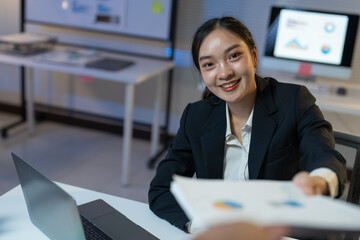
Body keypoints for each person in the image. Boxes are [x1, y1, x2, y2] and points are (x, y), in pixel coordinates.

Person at [148, 16, 347, 233]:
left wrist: (318, 181)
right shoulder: (196, 117)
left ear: (253, 55)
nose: (224, 73)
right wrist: (202, 226)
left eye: (234, 56)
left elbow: (325, 154)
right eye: (209, 64)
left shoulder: (293, 101)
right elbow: (161, 189)